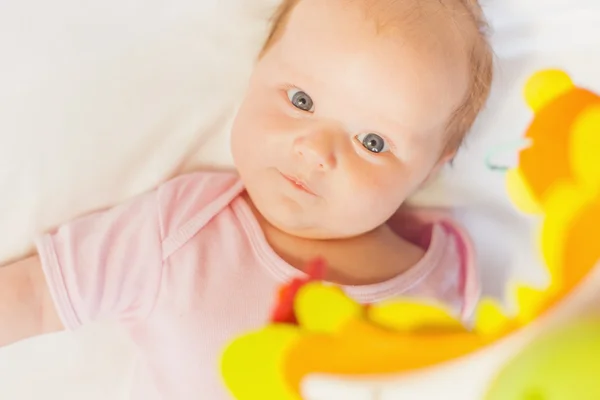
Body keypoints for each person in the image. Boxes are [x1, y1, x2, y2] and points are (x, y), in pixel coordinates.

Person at [0, 0, 493, 398]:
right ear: (258, 71)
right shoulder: (182, 229)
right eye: (300, 101)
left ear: (432, 166)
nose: (316, 151)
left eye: (373, 142)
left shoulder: (446, 281)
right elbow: (36, 297)